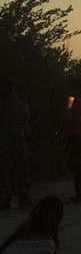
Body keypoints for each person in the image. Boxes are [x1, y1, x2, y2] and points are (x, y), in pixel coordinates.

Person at [0, 80, 32, 211]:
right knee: (22, 172)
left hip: (2, 144)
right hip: (19, 143)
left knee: (3, 174)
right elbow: (26, 127)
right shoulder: (21, 105)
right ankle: (23, 199)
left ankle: (4, 200)